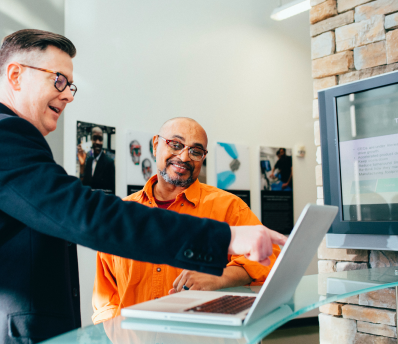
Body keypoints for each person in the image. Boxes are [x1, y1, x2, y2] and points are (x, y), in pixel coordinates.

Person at [0, 29, 286, 344]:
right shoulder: (0, 134)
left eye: (70, 85)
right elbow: (87, 214)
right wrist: (223, 239)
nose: (67, 95)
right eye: (58, 80)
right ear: (15, 75)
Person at [92, 118, 281, 324]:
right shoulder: (122, 214)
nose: (184, 157)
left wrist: (220, 277)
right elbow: (106, 297)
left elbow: (271, 256)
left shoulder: (229, 207)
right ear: (156, 145)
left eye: (196, 151)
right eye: (175, 144)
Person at [77, 126, 115, 194]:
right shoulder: (89, 161)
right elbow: (84, 185)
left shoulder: (109, 163)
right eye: (95, 138)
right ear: (91, 140)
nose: (97, 142)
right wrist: (82, 166)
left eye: (100, 139)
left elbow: (111, 191)